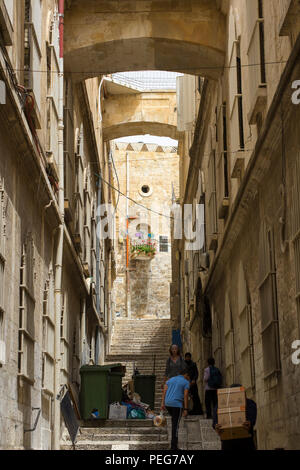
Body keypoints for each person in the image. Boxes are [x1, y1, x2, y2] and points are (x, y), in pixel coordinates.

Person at [213, 384, 257, 450]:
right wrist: (216, 426)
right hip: (228, 442)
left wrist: (250, 422)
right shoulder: (220, 406)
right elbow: (215, 422)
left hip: (245, 441)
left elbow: (252, 419)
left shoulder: (250, 403)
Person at [161, 368, 191, 450]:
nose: (189, 378)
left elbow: (164, 390)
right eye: (189, 376)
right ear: (186, 375)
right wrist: (186, 409)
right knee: (176, 425)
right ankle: (173, 446)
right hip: (177, 405)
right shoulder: (186, 382)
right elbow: (185, 395)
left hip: (168, 404)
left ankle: (174, 444)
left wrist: (162, 403)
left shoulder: (170, 380)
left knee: (174, 421)